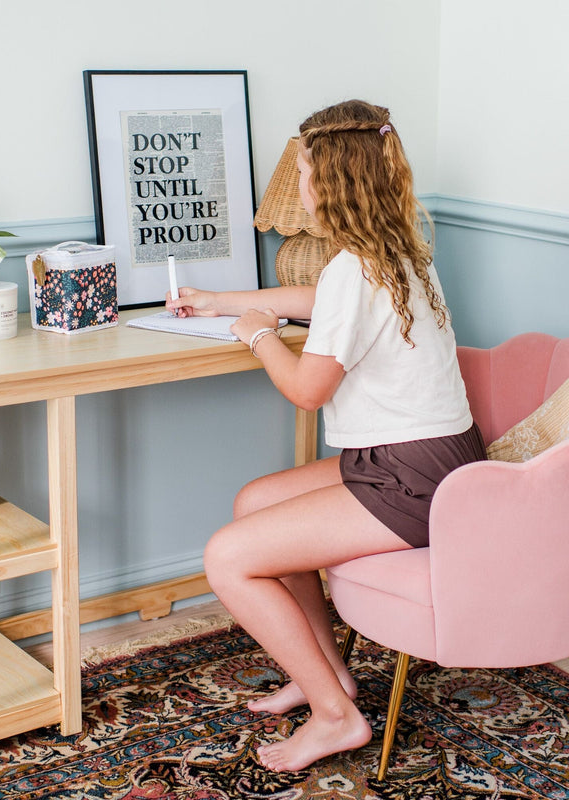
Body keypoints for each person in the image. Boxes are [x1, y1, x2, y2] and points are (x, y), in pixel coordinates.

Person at [165, 99, 487, 772]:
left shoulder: (355, 267)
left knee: (227, 556)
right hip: (433, 460)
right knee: (256, 501)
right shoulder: (395, 252)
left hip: (411, 477)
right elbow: (322, 304)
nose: (302, 183)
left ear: (331, 181)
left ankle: (337, 718)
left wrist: (255, 336)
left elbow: (307, 390)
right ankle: (328, 675)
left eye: (307, 169)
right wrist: (226, 303)